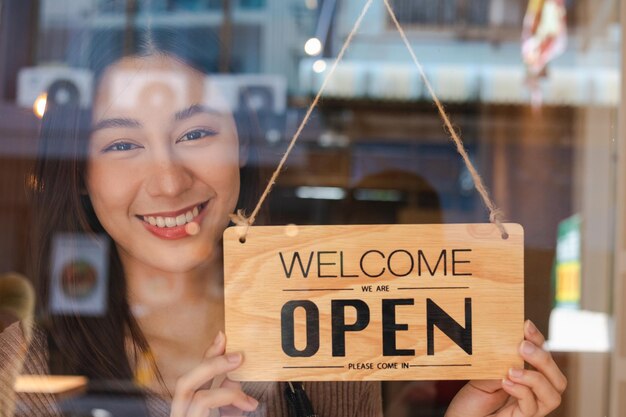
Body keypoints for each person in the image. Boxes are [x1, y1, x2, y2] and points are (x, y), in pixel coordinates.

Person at [0, 20, 566, 417]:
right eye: (122, 145)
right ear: (79, 170)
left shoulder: (329, 333)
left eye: (196, 133)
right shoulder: (20, 373)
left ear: (243, 140)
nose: (169, 181)